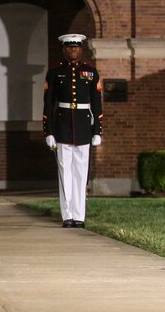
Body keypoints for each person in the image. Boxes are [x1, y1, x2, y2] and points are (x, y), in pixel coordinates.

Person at [43, 34, 103, 228]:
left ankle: (80, 215)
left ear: (81, 49)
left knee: (81, 173)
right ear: (64, 49)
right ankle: (67, 215)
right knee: (65, 172)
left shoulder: (91, 73)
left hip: (84, 126)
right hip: (63, 127)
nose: (73, 50)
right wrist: (48, 131)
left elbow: (96, 103)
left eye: (76, 47)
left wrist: (97, 131)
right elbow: (48, 104)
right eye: (69, 47)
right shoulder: (54, 73)